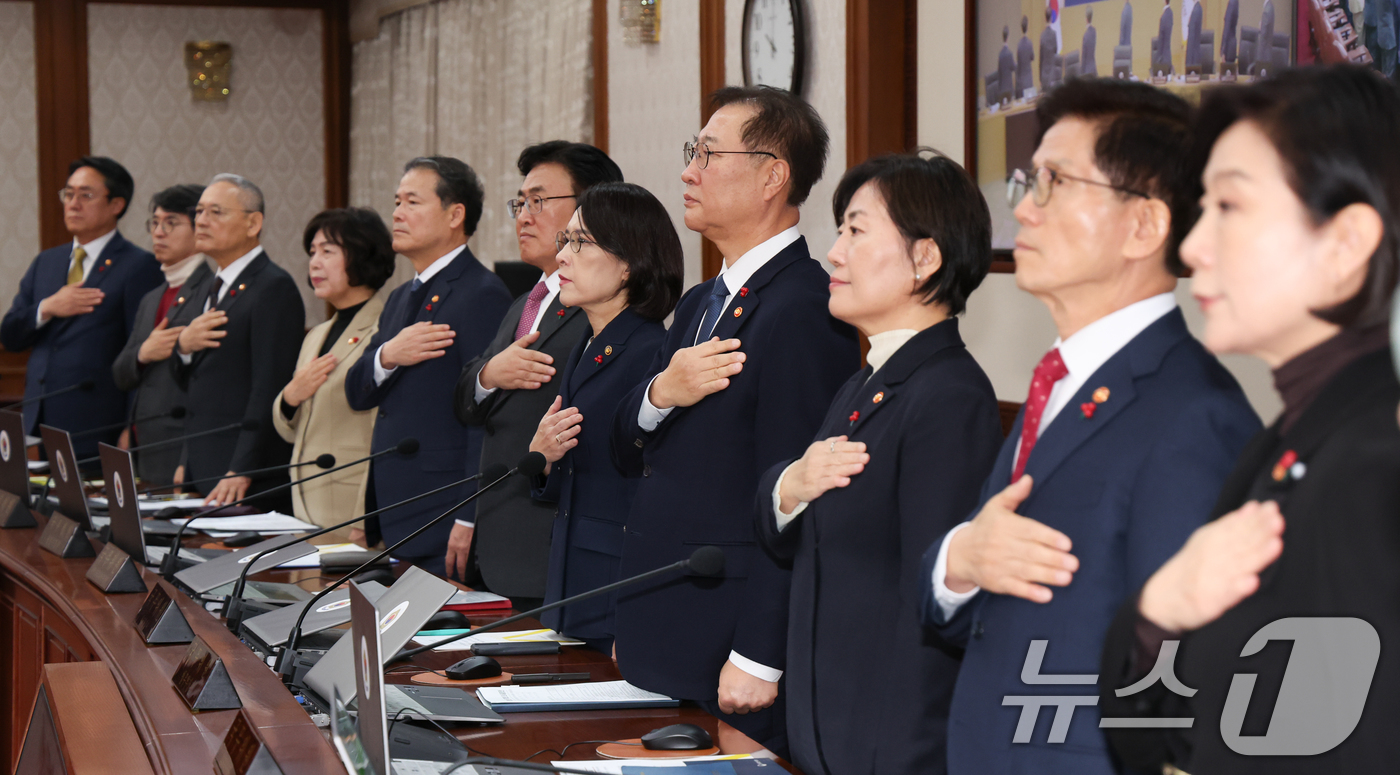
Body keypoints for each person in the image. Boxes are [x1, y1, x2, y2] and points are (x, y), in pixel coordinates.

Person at [920, 79, 1260, 775]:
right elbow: (972, 607)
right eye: (1027, 181)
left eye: (1054, 182)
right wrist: (959, 560)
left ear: (1145, 225)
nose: (1025, 212)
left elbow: (1188, 687)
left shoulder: (1195, 415)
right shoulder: (1060, 381)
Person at [1099, 65, 1400, 775]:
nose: (1195, 245)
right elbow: (1153, 739)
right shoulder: (1289, 440)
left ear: (1346, 241)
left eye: (1229, 206)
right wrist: (1158, 608)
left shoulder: (1370, 466)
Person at [609, 86, 861, 756]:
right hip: (664, 616)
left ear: (773, 174)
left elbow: (797, 500)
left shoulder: (804, 310)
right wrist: (661, 390)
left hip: (728, 639)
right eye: (692, 152)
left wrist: (758, 654)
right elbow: (626, 448)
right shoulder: (699, 303)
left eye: (708, 154)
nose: (688, 171)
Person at [756, 151, 1003, 775]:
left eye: (856, 230)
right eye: (840, 231)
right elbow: (796, 532)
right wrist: (788, 485)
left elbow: (936, 609)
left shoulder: (948, 396)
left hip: (885, 745)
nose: (834, 253)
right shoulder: (871, 379)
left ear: (925, 259)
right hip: (824, 728)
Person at [453, 142, 623, 605]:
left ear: (592, 206)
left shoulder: (598, 311)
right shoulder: (524, 303)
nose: (523, 216)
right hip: (500, 543)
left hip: (551, 545)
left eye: (540, 201)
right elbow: (466, 399)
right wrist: (491, 372)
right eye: (520, 202)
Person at [527, 182, 683, 653]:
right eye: (564, 242)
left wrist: (636, 617)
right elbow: (580, 470)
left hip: (617, 588)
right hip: (572, 578)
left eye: (581, 243)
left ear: (630, 264)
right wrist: (543, 459)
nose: (563, 258)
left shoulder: (651, 353)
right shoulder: (585, 344)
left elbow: (652, 491)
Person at [345, 157, 511, 577]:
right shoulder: (401, 297)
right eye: (397, 201)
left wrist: (470, 515)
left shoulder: (481, 293)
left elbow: (486, 414)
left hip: (444, 513)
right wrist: (388, 355)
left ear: (455, 214)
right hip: (396, 511)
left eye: (412, 202)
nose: (397, 213)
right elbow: (358, 393)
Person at [0, 156, 162, 461]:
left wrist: (132, 426)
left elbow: (140, 352)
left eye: (85, 195)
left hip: (99, 423)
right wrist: (47, 307)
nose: (73, 204)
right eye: (68, 194)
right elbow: (10, 334)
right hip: (41, 414)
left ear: (116, 205)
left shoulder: (138, 266)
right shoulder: (47, 262)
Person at [165, 174, 304, 510]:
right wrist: (182, 347)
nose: (201, 221)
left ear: (253, 223)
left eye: (216, 212)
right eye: (198, 212)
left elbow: (269, 385)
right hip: (205, 463)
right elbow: (196, 383)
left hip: (243, 475)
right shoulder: (208, 287)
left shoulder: (272, 287)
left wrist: (243, 468)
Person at [272, 209, 396, 542]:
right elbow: (290, 430)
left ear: (362, 256)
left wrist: (364, 516)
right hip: (304, 504)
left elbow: (381, 432)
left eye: (327, 251)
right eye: (312, 252)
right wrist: (290, 397)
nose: (314, 263)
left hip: (350, 511)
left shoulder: (384, 329)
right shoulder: (316, 334)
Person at [111, 184, 209, 485]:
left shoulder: (213, 290)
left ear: (200, 229)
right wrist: (143, 354)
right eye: (154, 223)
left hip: (182, 448)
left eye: (171, 223)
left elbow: (208, 389)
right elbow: (121, 373)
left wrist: (188, 459)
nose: (159, 232)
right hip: (144, 446)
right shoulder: (152, 298)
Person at [1016, 16, 1036, 98]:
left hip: (1021, 82)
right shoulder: (1029, 43)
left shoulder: (1019, 45)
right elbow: (1032, 57)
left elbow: (1018, 61)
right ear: (1027, 27)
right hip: (1029, 81)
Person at [1040, 8, 1059, 89]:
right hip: (1052, 75)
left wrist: (1040, 77)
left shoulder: (1042, 36)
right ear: (1051, 18)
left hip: (1044, 76)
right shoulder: (1054, 34)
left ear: (1045, 19)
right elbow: (1056, 50)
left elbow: (1041, 58)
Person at [1155, 0, 1174, 76]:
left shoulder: (1165, 16)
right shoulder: (1170, 13)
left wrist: (1159, 58)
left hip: (1164, 57)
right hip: (1166, 54)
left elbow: (1162, 38)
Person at [998, 26, 1016, 105]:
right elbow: (1013, 67)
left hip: (1002, 90)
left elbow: (999, 72)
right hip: (1009, 90)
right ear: (1008, 37)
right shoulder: (1009, 53)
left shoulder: (1000, 55)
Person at [1083, 7, 1099, 78]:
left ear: (1086, 19)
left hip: (1087, 71)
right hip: (1094, 69)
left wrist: (1081, 73)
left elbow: (1084, 56)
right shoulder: (1094, 32)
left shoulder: (1086, 36)